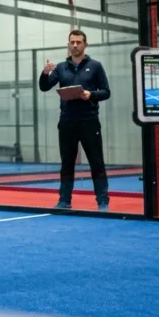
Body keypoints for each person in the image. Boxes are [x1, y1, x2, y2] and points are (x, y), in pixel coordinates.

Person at [39, 30, 111, 211]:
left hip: (89, 121)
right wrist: (45, 73)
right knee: (67, 163)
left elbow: (106, 92)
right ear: (68, 44)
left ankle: (102, 201)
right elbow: (44, 87)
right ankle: (64, 201)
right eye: (72, 42)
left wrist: (90, 94)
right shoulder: (60, 68)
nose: (75, 45)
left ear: (85, 45)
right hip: (67, 122)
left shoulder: (96, 66)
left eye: (78, 42)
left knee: (97, 162)